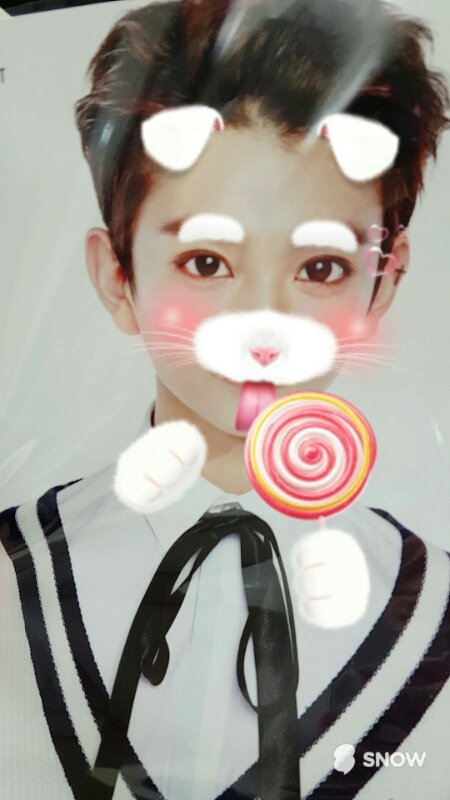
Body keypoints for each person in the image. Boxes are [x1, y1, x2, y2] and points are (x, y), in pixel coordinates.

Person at [1, 1, 449, 799]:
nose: (262, 326)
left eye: (320, 268)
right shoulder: (13, 581)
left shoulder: (434, 614)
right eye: (207, 262)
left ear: (384, 283)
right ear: (118, 277)